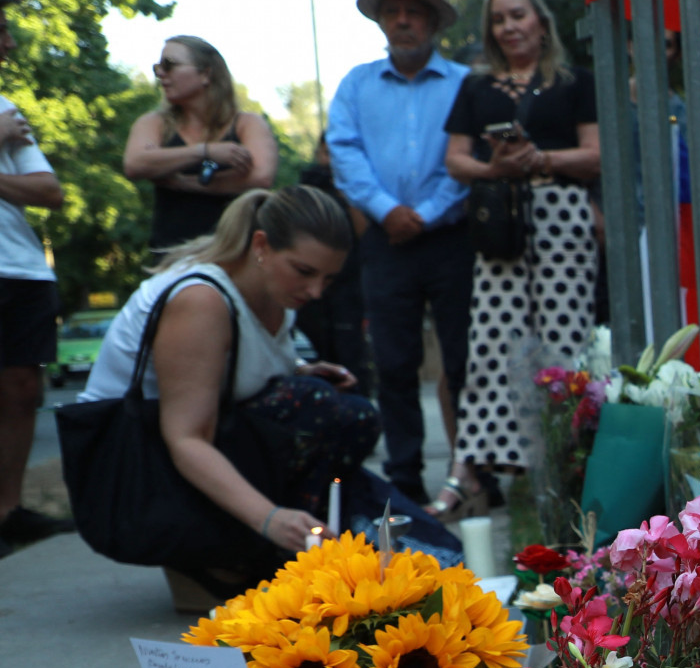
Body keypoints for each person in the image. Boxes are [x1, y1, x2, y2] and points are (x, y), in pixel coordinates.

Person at [74, 187, 458, 598]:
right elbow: (185, 437)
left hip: (205, 446)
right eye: (304, 271)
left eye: (328, 279)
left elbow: (228, 371)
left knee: (354, 416)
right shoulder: (200, 298)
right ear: (261, 245)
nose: (316, 291)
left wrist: (300, 369)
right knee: (317, 407)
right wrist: (270, 518)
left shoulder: (273, 291)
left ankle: (305, 551)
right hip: (133, 474)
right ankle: (238, 556)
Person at [442, 0, 599, 505]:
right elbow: (454, 160)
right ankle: (491, 464)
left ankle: (571, 459)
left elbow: (596, 154)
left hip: (561, 213)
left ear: (540, 21)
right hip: (500, 220)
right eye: (498, 19)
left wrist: (541, 159)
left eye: (517, 15)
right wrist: (495, 167)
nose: (508, 27)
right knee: (494, 340)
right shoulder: (476, 87)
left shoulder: (574, 81)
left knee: (566, 337)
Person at [328, 0, 473, 507]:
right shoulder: (356, 85)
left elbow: (471, 155)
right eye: (393, 11)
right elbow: (344, 152)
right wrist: (388, 211)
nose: (403, 20)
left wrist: (427, 213)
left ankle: (474, 473)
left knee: (464, 359)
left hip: (453, 237)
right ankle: (405, 479)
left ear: (432, 21)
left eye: (413, 11)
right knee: (392, 362)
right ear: (381, 21)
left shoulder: (463, 82)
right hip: (385, 241)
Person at [0, 0, 70, 558]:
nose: (8, 42)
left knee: (22, 390)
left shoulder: (5, 109)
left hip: (20, 270)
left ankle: (8, 512)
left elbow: (49, 191)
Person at [123, 36, 278, 252]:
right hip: (172, 256)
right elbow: (135, 163)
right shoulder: (154, 123)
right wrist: (205, 152)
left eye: (169, 65)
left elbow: (261, 177)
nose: (161, 74)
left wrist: (184, 183)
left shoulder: (248, 123)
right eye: (158, 67)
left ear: (206, 73)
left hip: (234, 256)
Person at [296, 138, 373, 399]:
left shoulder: (354, 188)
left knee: (350, 350)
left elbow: (364, 233)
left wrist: (348, 189)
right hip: (311, 290)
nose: (329, 160)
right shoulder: (307, 187)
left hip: (347, 284)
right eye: (325, 153)